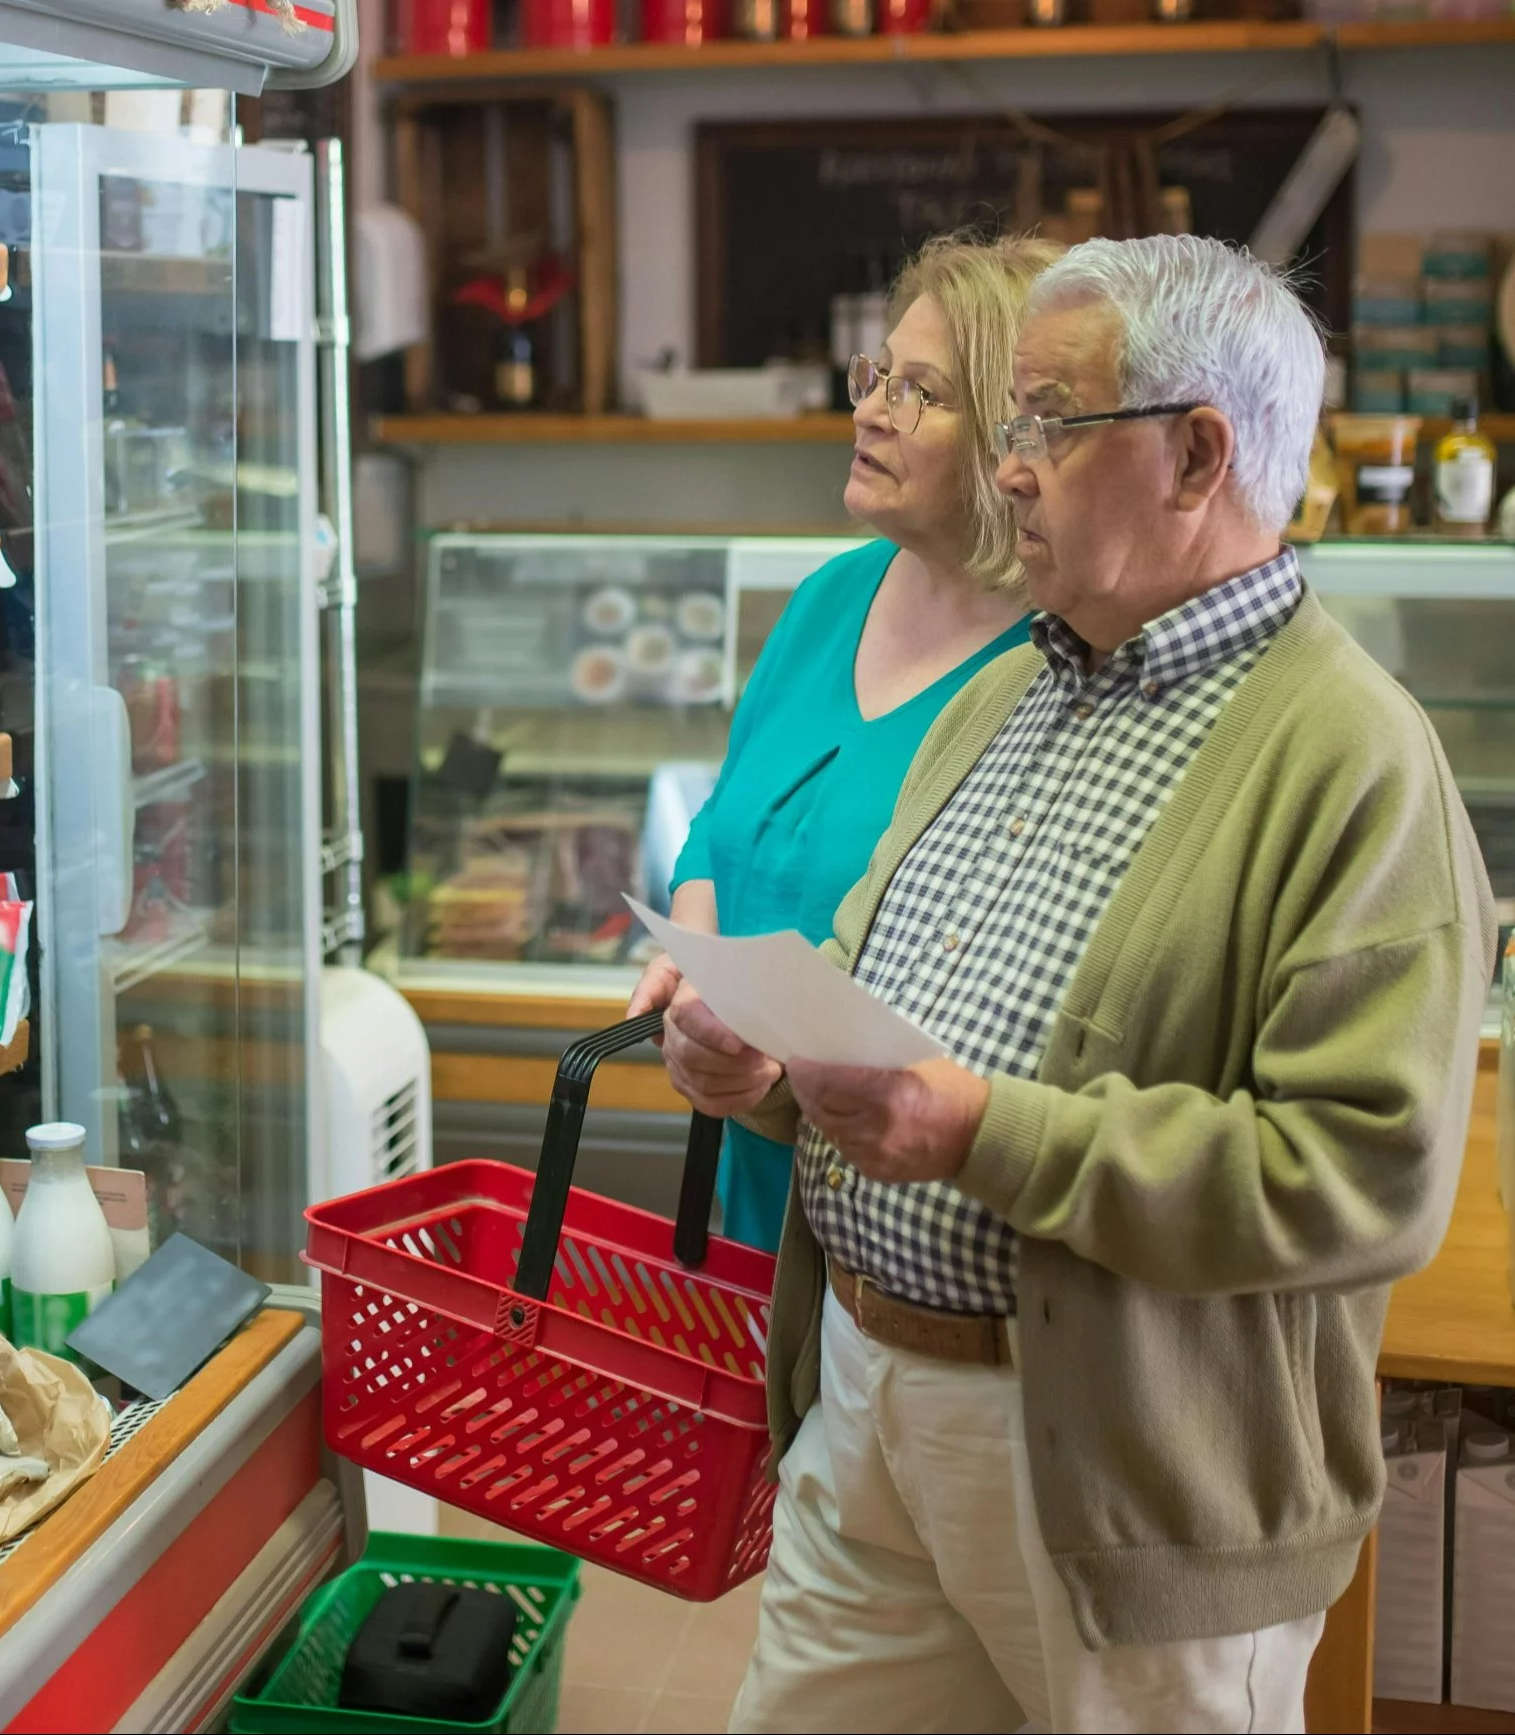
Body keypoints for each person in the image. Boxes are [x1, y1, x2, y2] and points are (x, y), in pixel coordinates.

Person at [662, 234, 1495, 1732]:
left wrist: (985, 1132)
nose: (1010, 468)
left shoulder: (1353, 758)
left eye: (1050, 421)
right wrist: (766, 1061)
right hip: (865, 1405)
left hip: (1126, 1484)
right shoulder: (1007, 687)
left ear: (1198, 455)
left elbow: (1363, 1178)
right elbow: (866, 967)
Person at [629, 233, 1056, 1251]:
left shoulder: (1056, 662)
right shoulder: (830, 596)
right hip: (754, 1192)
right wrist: (698, 975)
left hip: (917, 1225)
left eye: (920, 393)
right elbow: (722, 822)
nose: (867, 411)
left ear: (1011, 439)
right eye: (877, 375)